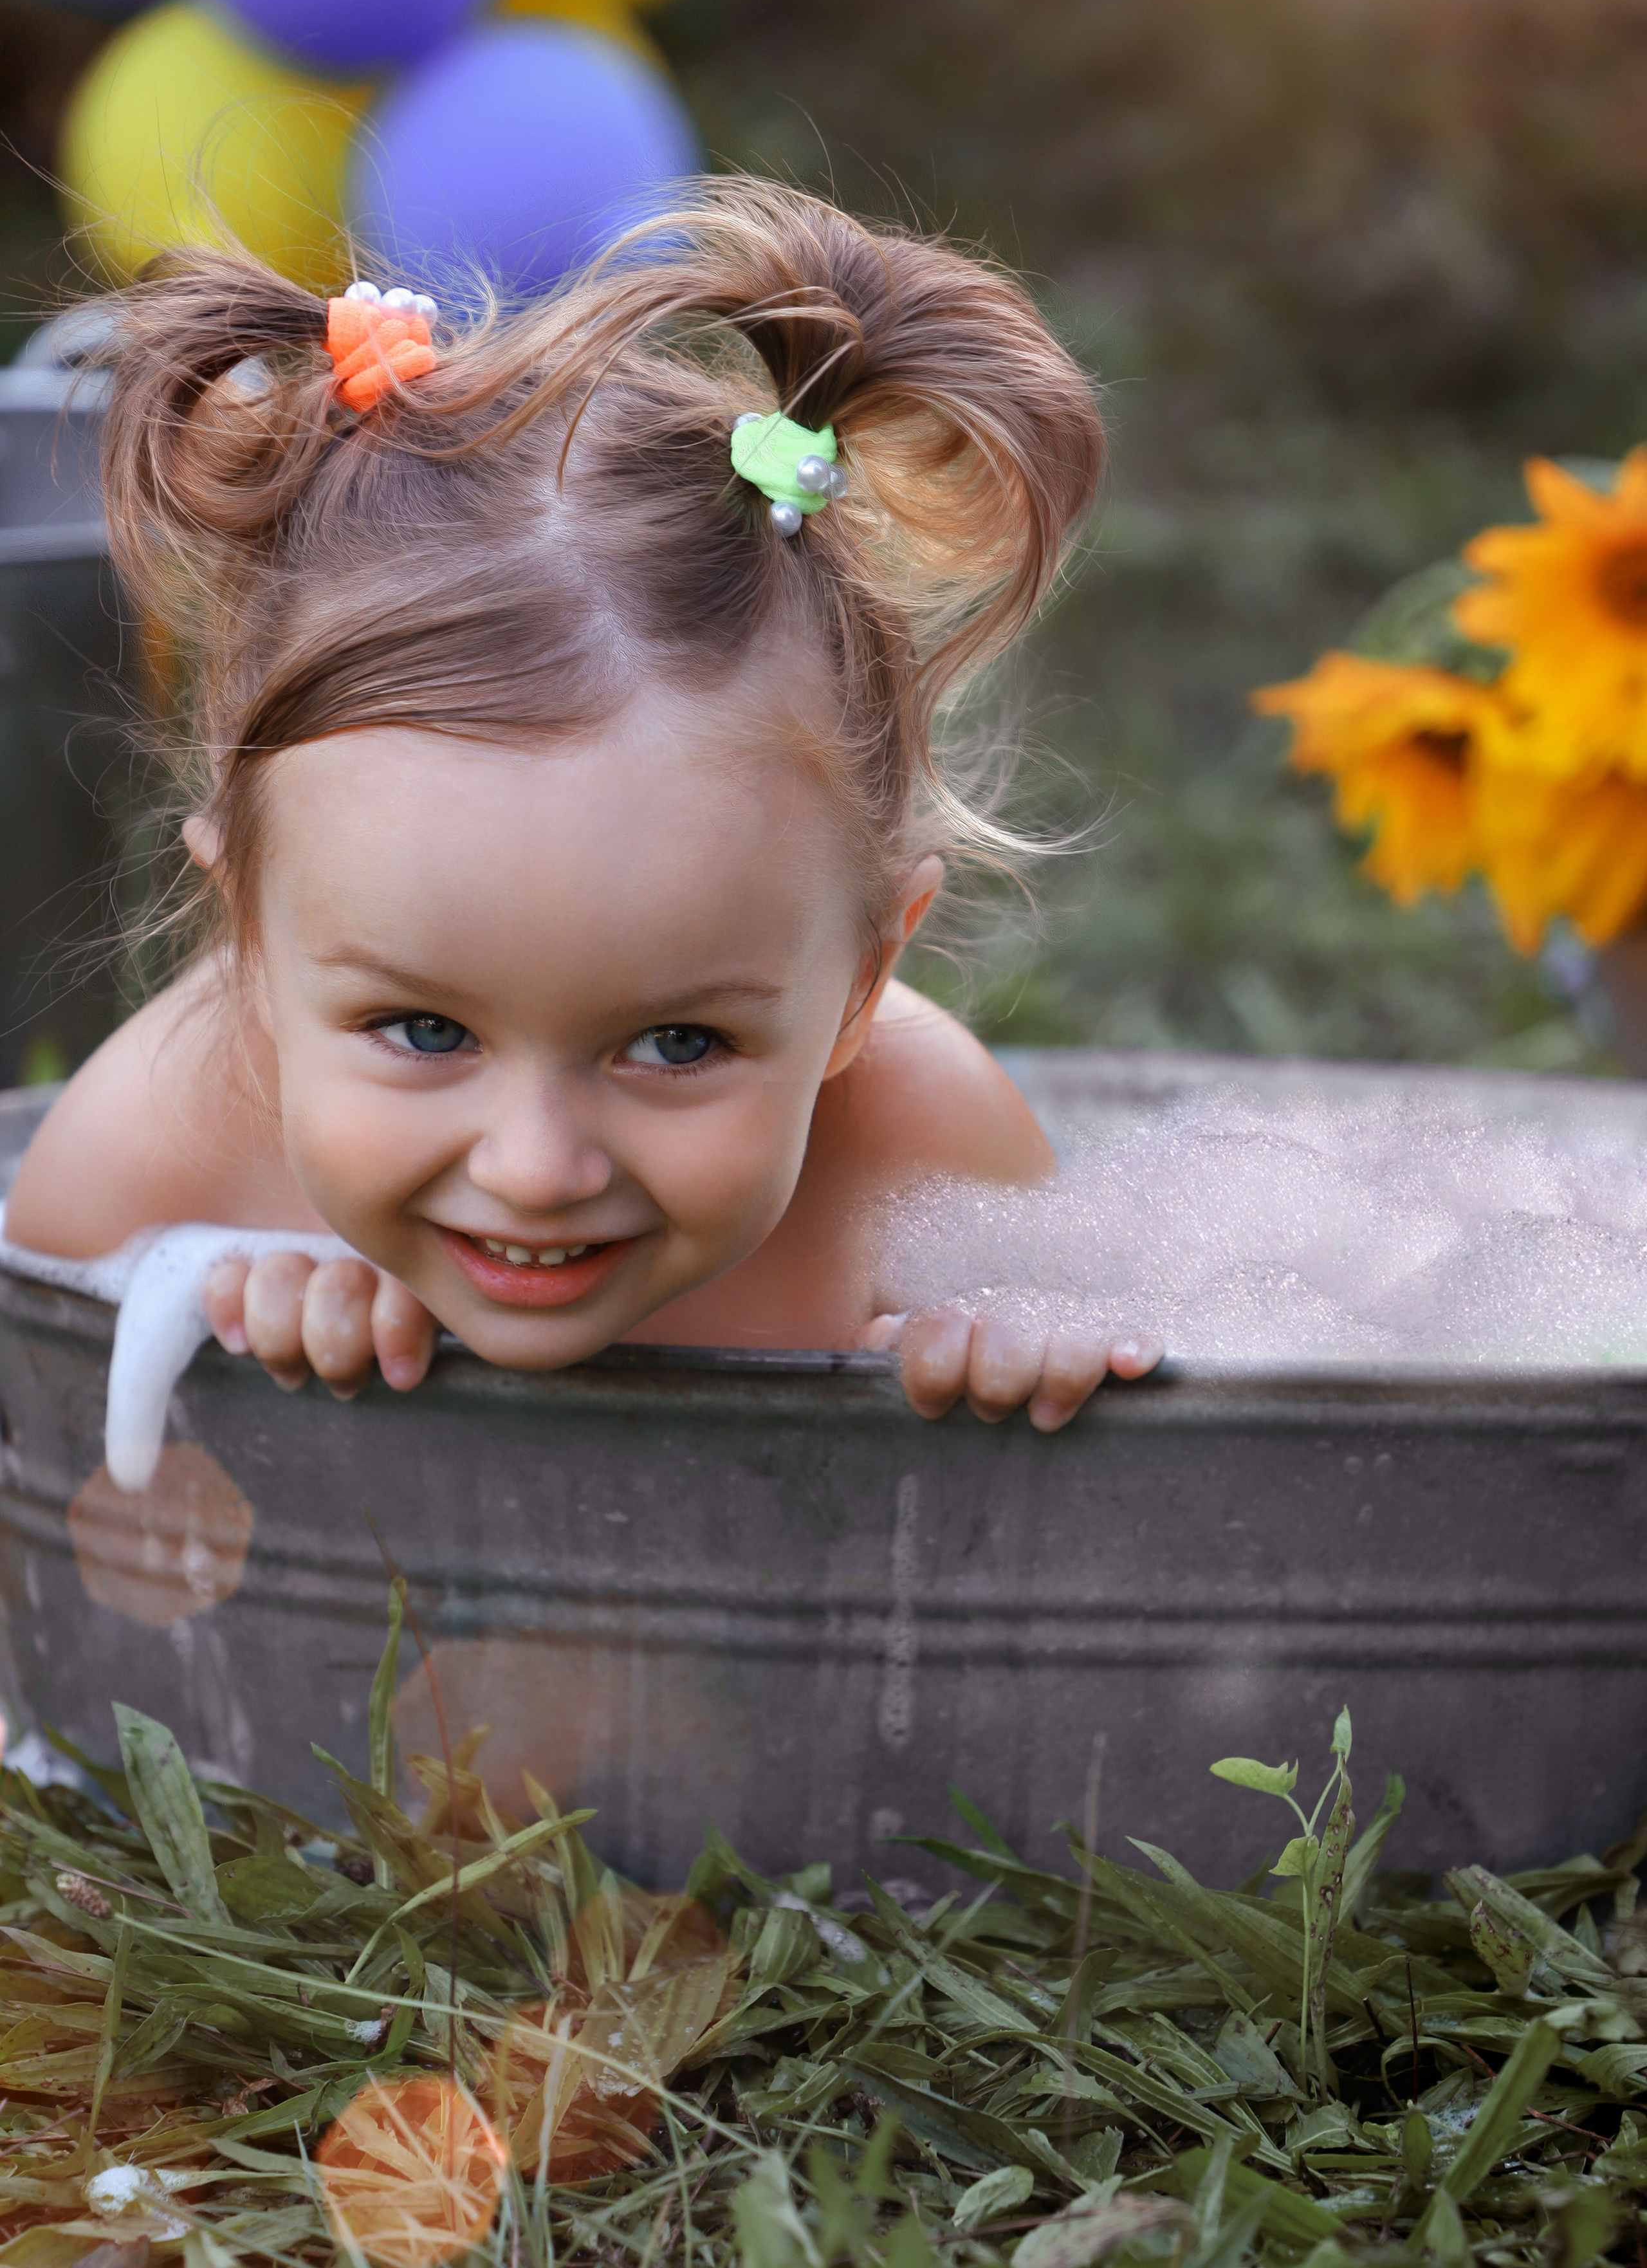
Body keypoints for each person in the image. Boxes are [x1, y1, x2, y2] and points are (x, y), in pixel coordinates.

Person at [6, 179, 1158, 1430]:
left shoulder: (924, 1168)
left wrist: (1033, 1348)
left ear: (863, 985)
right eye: (424, 1032)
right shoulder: (160, 1158)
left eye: (677, 1045)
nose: (536, 1170)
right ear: (251, 943)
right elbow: (39, 1465)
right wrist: (193, 1296)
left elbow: (1168, 1464)